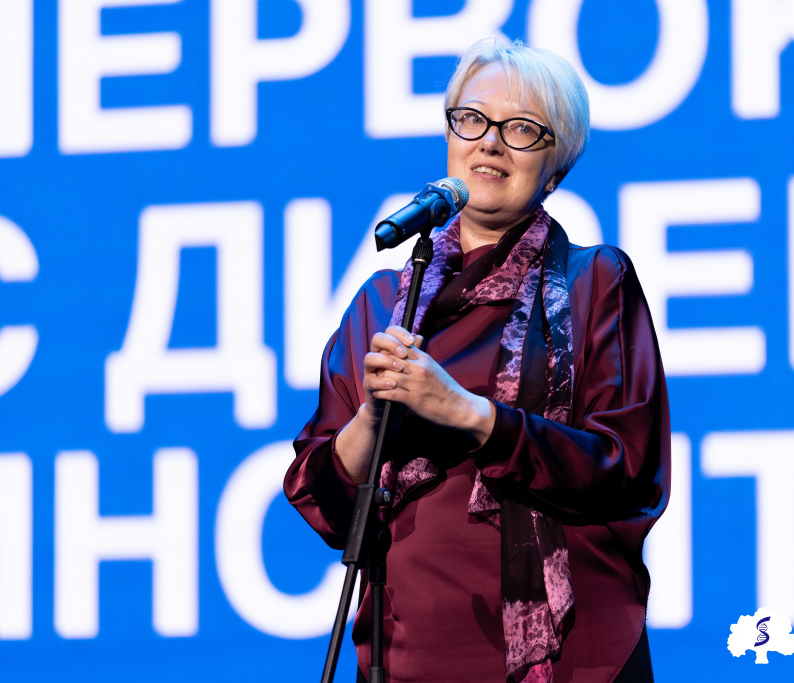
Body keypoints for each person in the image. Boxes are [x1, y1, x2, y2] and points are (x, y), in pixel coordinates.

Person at [284, 37, 670, 683]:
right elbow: (321, 499)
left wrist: (467, 413)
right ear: (450, 135)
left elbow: (627, 471)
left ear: (555, 168)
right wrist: (371, 421)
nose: (490, 142)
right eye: (472, 119)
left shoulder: (594, 282)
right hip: (403, 652)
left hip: (568, 657)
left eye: (521, 129)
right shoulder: (384, 302)